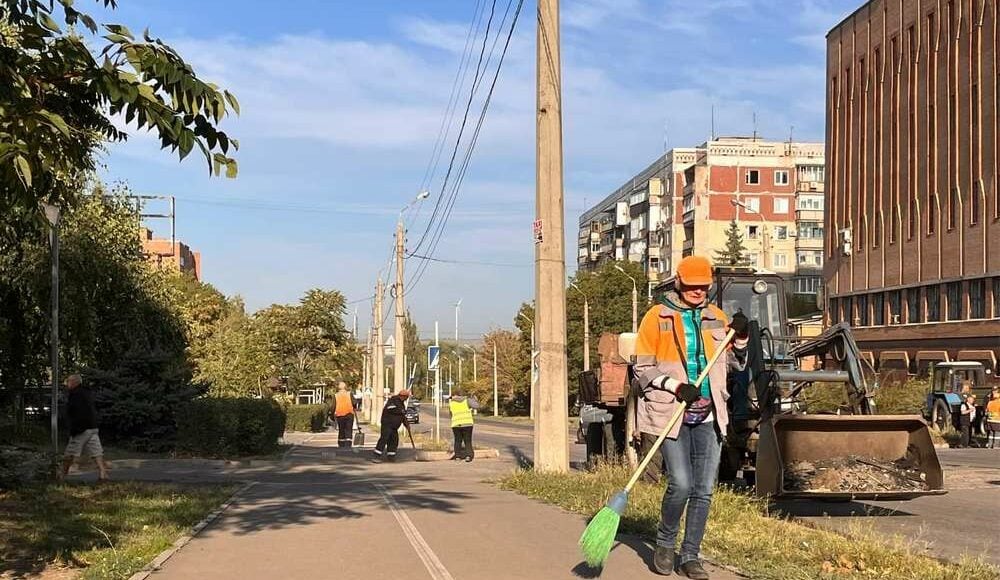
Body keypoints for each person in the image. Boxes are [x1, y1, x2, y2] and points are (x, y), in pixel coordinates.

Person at [634, 256, 748, 579]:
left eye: (703, 286)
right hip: (671, 413)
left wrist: (740, 339)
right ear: (679, 284)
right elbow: (642, 369)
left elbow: (736, 365)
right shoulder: (657, 318)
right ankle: (665, 543)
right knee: (681, 484)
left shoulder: (716, 317)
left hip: (709, 415)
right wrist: (675, 386)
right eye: (692, 285)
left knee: (704, 489)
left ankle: (691, 555)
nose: (698, 291)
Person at [60, 374, 109, 482]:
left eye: (68, 381)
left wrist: (74, 428)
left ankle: (62, 476)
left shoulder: (75, 394)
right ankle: (103, 473)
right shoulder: (87, 393)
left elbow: (74, 411)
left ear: (74, 382)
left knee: (69, 454)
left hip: (81, 429)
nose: (67, 384)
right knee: (96, 452)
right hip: (93, 427)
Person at [373, 390, 410, 462]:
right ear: (403, 396)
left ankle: (391, 456)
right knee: (384, 439)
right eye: (407, 397)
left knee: (394, 440)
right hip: (387, 424)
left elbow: (403, 417)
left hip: (394, 427)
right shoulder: (393, 400)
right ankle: (376, 456)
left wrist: (406, 425)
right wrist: (401, 411)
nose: (407, 398)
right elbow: (390, 409)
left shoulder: (401, 403)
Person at [448, 391, 479, 462]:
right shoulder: (467, 400)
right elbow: (476, 406)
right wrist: (475, 400)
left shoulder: (451, 403)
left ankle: (457, 456)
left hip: (456, 424)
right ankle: (468, 456)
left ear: (455, 395)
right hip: (467, 423)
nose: (451, 398)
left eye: (452, 396)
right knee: (467, 441)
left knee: (457, 441)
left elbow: (451, 414)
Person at [333, 382, 356, 448]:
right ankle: (348, 444)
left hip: (340, 415)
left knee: (341, 429)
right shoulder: (349, 394)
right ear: (345, 387)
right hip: (349, 414)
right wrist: (354, 407)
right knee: (349, 429)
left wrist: (332, 415)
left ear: (338, 388)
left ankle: (341, 444)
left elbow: (333, 406)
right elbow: (354, 402)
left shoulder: (336, 395)